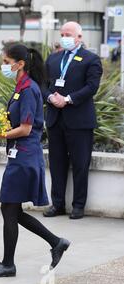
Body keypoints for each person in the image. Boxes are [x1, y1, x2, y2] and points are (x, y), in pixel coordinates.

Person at [0, 43, 70, 278]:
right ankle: (56, 242)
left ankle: (9, 264)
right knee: (12, 210)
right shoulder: (21, 87)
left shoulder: (29, 89)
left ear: (20, 64)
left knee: (9, 208)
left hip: (24, 155)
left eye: (7, 62)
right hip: (20, 155)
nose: (4, 66)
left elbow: (26, 128)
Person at [42, 22, 103, 220]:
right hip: (55, 119)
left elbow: (92, 87)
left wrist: (67, 99)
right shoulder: (53, 58)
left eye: (68, 34)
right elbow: (42, 84)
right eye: (62, 34)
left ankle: (78, 205)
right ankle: (57, 204)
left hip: (79, 120)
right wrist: (51, 97)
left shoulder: (91, 59)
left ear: (79, 37)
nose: (64, 37)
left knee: (80, 164)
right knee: (57, 164)